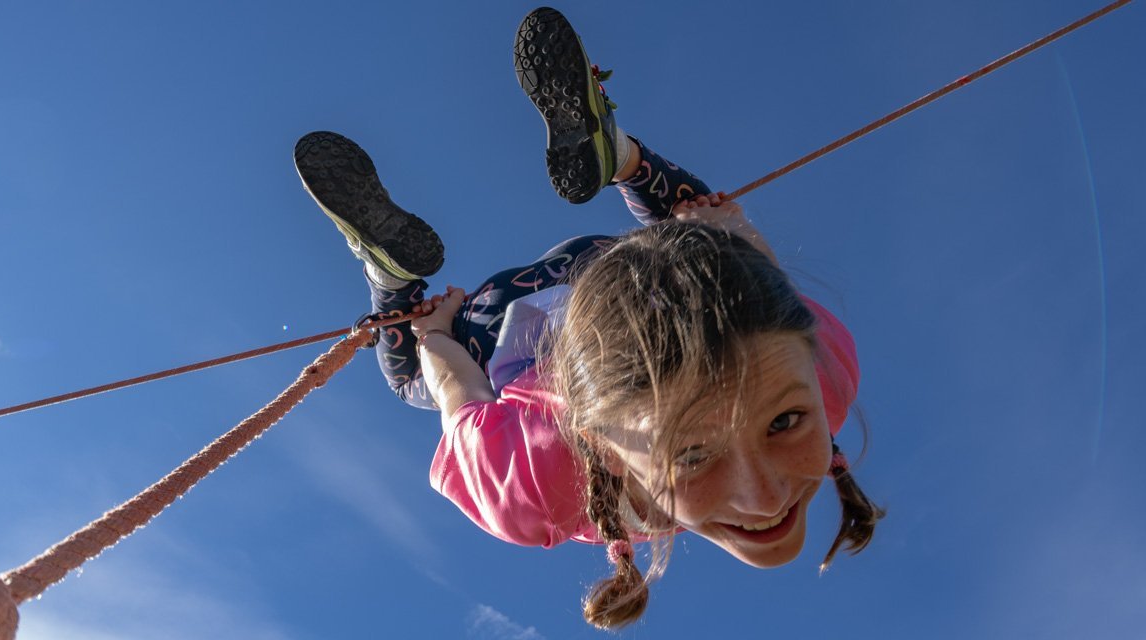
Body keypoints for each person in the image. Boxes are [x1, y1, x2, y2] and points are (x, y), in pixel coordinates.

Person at [293, 7, 883, 629]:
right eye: (785, 421)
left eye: (691, 455)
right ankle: (393, 283)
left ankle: (623, 157)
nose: (763, 499)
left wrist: (728, 228)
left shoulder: (825, 373)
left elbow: (760, 281)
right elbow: (455, 393)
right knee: (411, 371)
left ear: (600, 443)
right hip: (518, 317)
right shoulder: (538, 491)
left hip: (608, 279)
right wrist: (432, 331)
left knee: (707, 239)